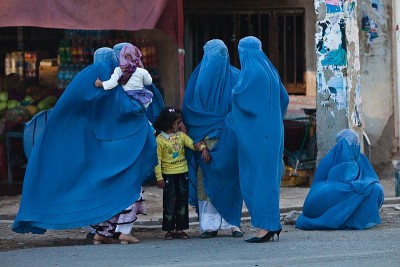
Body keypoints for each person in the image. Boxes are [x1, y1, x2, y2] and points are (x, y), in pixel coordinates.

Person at [12, 47, 158, 244]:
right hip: (121, 150)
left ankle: (101, 231)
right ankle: (120, 231)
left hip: (95, 151)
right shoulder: (121, 86)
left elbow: (68, 112)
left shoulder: (86, 82)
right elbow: (141, 108)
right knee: (125, 188)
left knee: (96, 188)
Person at [182, 39, 243, 238]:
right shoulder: (197, 79)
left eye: (222, 54)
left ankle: (233, 223)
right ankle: (209, 225)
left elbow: (242, 109)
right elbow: (191, 115)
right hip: (204, 143)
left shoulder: (236, 77)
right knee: (206, 182)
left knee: (231, 181)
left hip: (230, 141)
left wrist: (230, 128)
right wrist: (200, 144)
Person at [231, 36, 289, 243]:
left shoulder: (251, 72)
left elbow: (240, 97)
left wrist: (233, 93)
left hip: (258, 136)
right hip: (273, 132)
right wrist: (273, 118)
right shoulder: (270, 70)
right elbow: (285, 98)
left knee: (257, 179)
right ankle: (271, 224)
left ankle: (266, 228)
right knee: (269, 179)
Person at [296, 129, 384, 230]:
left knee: (375, 189)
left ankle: (357, 218)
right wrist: (363, 185)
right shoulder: (331, 159)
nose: (352, 147)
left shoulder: (361, 159)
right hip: (315, 203)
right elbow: (346, 179)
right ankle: (348, 220)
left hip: (317, 204)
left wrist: (364, 185)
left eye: (355, 144)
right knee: (363, 188)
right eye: (348, 144)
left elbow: (369, 179)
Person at [153, 107, 210, 240]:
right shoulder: (160, 140)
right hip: (168, 176)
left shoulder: (181, 136)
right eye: (178, 123)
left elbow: (192, 144)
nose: (180, 125)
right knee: (169, 202)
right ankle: (169, 229)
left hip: (182, 174)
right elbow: (157, 160)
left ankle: (180, 229)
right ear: (168, 123)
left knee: (182, 202)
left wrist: (203, 148)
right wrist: (159, 177)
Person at [95, 44, 153, 109]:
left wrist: (101, 84)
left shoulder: (118, 70)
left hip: (126, 98)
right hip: (141, 98)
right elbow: (149, 82)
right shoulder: (142, 71)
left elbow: (112, 83)